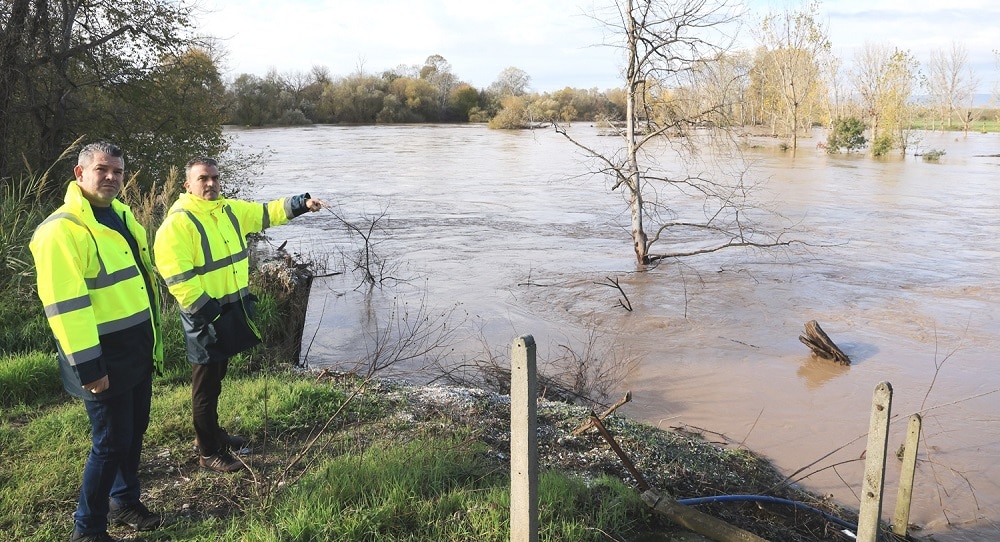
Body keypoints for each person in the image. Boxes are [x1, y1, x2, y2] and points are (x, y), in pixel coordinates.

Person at [153, 156, 325, 473]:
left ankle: (213, 434)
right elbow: (177, 278)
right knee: (204, 386)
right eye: (203, 178)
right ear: (187, 184)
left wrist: (302, 203)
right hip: (204, 316)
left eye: (215, 178)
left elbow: (266, 213)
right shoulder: (178, 223)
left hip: (230, 309)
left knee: (217, 379)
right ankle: (207, 451)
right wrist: (210, 314)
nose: (210, 183)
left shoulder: (229, 210)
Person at [29, 142, 163, 542]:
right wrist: (90, 367)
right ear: (79, 173)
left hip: (135, 347)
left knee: (135, 429)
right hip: (100, 356)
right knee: (109, 442)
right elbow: (65, 307)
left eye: (118, 172)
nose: (111, 178)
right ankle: (87, 529)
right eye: (102, 169)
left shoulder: (119, 214)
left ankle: (125, 501)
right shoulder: (60, 230)